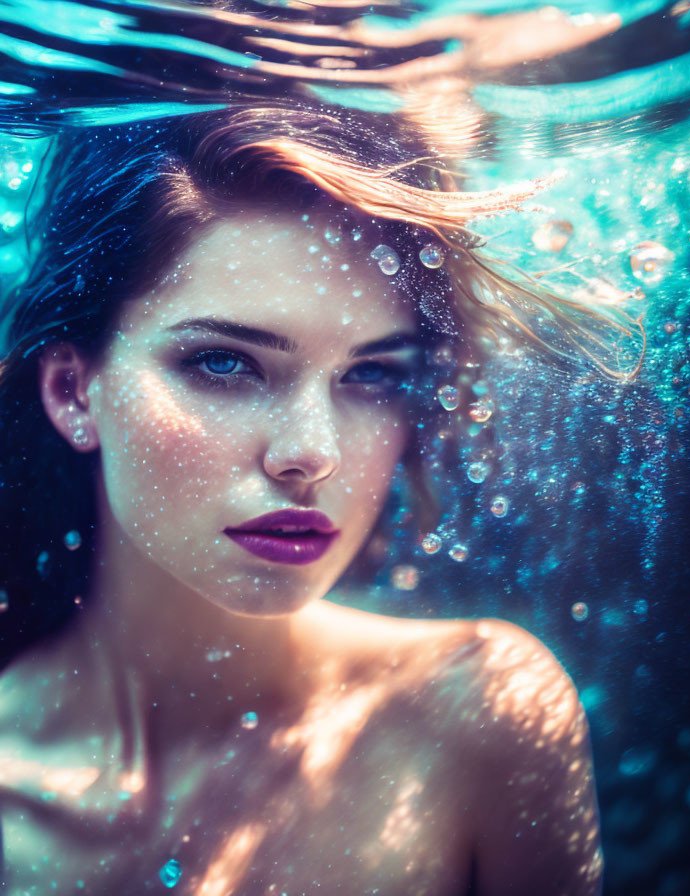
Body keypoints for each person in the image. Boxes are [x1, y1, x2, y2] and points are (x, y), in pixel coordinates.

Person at [0, 4, 620, 894]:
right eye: (225, 363)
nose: (311, 455)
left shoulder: (478, 715)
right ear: (72, 390)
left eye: (371, 377)